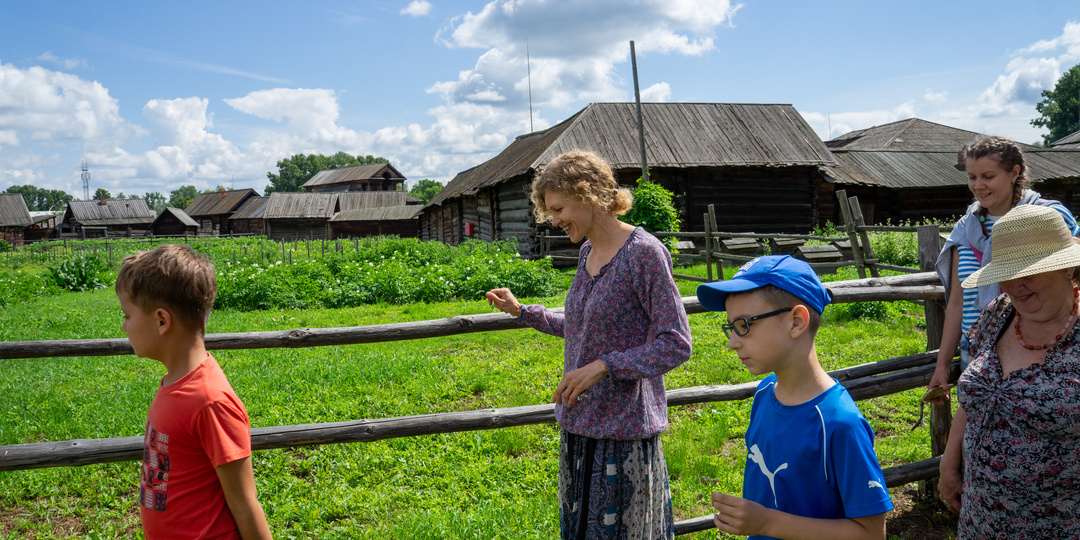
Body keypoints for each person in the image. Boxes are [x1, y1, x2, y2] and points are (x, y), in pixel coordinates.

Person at [485, 150, 692, 539]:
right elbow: (582, 327)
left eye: (559, 208)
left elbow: (676, 343)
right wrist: (521, 312)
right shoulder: (587, 253)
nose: (555, 220)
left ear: (590, 194)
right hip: (579, 427)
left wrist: (603, 366)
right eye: (550, 212)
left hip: (623, 435)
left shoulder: (644, 254)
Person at [697, 256, 893, 540]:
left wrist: (766, 524)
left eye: (744, 325)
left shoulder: (840, 424)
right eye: (731, 327)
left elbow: (871, 534)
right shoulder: (764, 392)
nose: (732, 342)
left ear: (796, 322)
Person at [937, 204, 1080, 538]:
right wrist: (949, 462)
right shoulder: (998, 313)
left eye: (1030, 269)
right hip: (979, 518)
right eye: (1008, 271)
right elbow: (975, 394)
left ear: (1066, 267)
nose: (1016, 284)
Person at [116, 244, 272, 539]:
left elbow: (245, 505)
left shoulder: (209, 400)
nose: (124, 327)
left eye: (127, 315)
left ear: (162, 321)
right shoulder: (173, 382)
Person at [927, 136, 1078, 399]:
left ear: (1014, 172)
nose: (978, 185)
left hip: (1042, 343)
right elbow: (957, 303)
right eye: (972, 177)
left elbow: (1074, 274)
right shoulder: (965, 229)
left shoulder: (1047, 217)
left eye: (988, 176)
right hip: (976, 349)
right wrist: (942, 366)